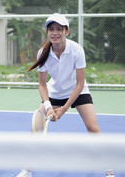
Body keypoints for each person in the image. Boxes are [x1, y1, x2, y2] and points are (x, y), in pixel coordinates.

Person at [16, 13, 113, 177]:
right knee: (36, 130)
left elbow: (80, 84)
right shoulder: (42, 53)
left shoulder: (76, 50)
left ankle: (109, 171)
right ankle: (27, 171)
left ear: (66, 31)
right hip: (54, 93)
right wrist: (48, 107)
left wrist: (63, 109)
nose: (55, 33)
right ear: (47, 32)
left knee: (93, 128)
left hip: (78, 91)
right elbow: (42, 84)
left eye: (59, 29)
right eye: (51, 29)